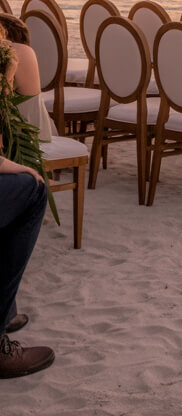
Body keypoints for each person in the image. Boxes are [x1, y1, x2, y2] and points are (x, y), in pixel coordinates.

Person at [0, 19, 55, 378]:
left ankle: (7, 312)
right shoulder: (16, 54)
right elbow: (35, 128)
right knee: (32, 190)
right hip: (25, 144)